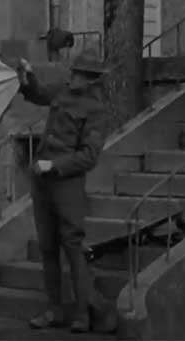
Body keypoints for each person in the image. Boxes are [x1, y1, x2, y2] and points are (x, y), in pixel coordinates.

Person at [11, 51, 114, 333]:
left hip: (66, 182)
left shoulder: (97, 109)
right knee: (47, 247)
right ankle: (54, 310)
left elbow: (89, 156)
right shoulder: (63, 91)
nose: (73, 76)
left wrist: (54, 165)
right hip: (42, 180)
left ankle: (82, 314)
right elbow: (39, 94)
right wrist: (28, 76)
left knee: (72, 246)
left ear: (91, 79)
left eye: (78, 73)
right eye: (74, 71)